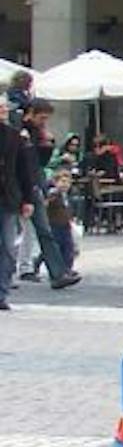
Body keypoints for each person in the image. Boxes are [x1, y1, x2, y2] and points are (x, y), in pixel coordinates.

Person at [16, 99, 78, 288]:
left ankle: (58, 274)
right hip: (18, 185)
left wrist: (47, 145)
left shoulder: (38, 134)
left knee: (44, 231)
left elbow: (40, 163)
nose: (44, 122)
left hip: (34, 184)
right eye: (42, 118)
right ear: (31, 113)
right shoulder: (19, 131)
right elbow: (22, 161)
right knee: (12, 231)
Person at [0, 112, 36, 312]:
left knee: (7, 246)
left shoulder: (14, 137)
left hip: (7, 198)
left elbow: (25, 170)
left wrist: (28, 199)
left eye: (4, 109)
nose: (3, 113)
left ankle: (1, 293)